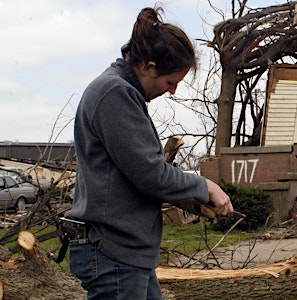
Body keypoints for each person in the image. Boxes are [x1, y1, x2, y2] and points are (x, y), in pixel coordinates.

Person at [64, 6, 234, 299]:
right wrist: (204, 186)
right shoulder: (114, 94)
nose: (172, 91)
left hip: (124, 253)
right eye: (170, 82)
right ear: (148, 66)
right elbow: (150, 174)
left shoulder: (120, 91)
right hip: (113, 253)